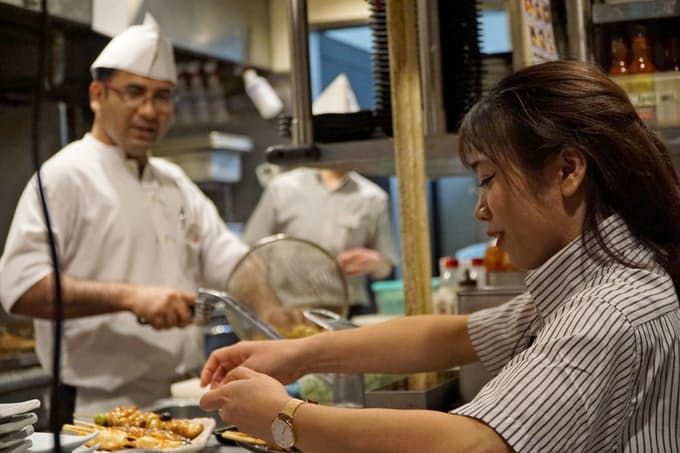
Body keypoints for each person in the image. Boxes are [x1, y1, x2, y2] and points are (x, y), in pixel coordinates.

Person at [198, 60, 680, 452]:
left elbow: (475, 444)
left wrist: (285, 417)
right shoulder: (593, 282)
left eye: (489, 177)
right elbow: (448, 336)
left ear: (567, 170)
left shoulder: (606, 308)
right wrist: (296, 354)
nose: (481, 206)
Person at [0, 14, 248, 415]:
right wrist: (130, 297)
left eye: (162, 96)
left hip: (181, 396)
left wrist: (285, 304)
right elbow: (20, 287)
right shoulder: (66, 176)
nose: (149, 111)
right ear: (98, 95)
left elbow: (235, 267)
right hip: (95, 407)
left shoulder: (175, 182)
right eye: (134, 92)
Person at [242, 167, 398, 317]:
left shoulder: (373, 197)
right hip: (288, 309)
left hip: (348, 310)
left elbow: (386, 267)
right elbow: (251, 252)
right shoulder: (282, 188)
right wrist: (264, 302)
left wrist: (374, 261)